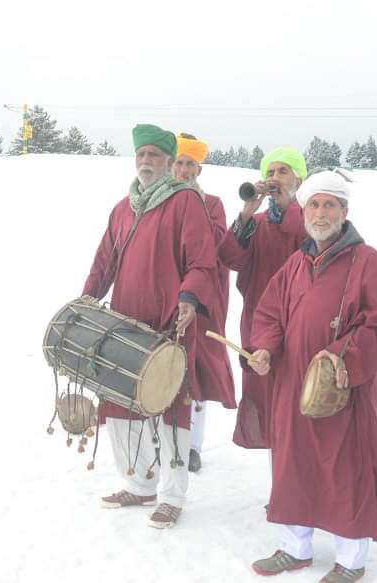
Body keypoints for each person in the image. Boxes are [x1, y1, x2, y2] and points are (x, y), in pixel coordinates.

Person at [246, 171, 377, 583]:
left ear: (344, 212)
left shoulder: (367, 261)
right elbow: (270, 315)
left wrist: (339, 358)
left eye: (329, 205)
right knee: (293, 461)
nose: (320, 212)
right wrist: (264, 347)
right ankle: (295, 548)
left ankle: (352, 557)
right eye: (314, 204)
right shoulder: (296, 263)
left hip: (340, 386)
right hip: (293, 383)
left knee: (344, 465)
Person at [82, 124, 223, 529]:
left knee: (168, 408)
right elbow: (104, 259)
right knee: (122, 404)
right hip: (124, 321)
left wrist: (190, 297)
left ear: (167, 162)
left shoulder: (185, 203)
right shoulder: (122, 208)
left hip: (168, 324)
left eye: (155, 157)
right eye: (142, 155)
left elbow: (202, 260)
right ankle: (138, 484)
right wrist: (88, 296)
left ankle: (172, 495)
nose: (147, 162)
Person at [217, 147, 307, 450]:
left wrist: (287, 210)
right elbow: (229, 257)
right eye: (270, 172)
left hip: (300, 323)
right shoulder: (256, 221)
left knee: (298, 405)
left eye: (283, 172)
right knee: (267, 403)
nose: (275, 178)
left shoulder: (314, 216)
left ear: (299, 178)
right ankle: (280, 490)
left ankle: (298, 491)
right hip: (259, 324)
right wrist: (246, 212)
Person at [171, 133, 237, 473]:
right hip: (166, 297)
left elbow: (216, 248)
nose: (183, 170)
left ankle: (192, 445)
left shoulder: (211, 203)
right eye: (179, 163)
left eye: (190, 165)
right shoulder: (158, 201)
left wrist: (194, 207)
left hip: (202, 302)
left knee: (195, 368)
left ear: (199, 169)